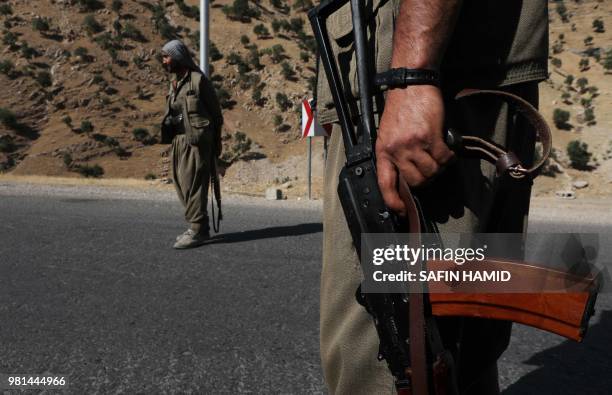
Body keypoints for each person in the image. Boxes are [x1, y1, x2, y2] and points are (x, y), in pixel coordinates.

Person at [316, 0, 548, 393]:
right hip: (421, 75)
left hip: (420, 80)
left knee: (393, 360)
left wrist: (412, 74)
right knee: (459, 355)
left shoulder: (414, 79)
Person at [160, 39, 224, 249]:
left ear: (178, 57)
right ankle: (201, 227)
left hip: (197, 143)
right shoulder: (174, 83)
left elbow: (216, 114)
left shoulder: (198, 81)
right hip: (178, 142)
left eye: (167, 56)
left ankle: (196, 229)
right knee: (181, 185)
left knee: (194, 185)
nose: (164, 60)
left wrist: (216, 143)